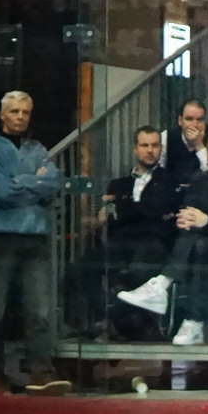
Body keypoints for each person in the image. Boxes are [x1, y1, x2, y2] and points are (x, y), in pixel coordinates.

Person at [118, 130, 208, 345]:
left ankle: (164, 287)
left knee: (197, 243)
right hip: (203, 246)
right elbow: (188, 209)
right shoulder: (199, 180)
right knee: (198, 244)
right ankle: (192, 321)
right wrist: (185, 220)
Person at [0, 90, 67, 394]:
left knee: (39, 309)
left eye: (25, 112)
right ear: (2, 114)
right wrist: (34, 181)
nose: (20, 117)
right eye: (14, 111)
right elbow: (0, 193)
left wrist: (20, 182)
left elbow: (52, 185)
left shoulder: (37, 148)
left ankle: (40, 371)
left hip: (34, 236)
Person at [79, 126, 182, 331]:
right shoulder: (118, 184)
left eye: (155, 145)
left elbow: (153, 209)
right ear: (135, 149)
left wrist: (120, 205)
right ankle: (106, 315)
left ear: (160, 149)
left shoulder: (169, 180)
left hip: (153, 243)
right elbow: (119, 218)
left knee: (136, 269)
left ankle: (123, 322)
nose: (150, 150)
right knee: (80, 268)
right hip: (121, 242)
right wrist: (121, 208)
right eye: (144, 145)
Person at [161, 98, 208, 186]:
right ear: (180, 121)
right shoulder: (166, 137)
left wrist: (199, 145)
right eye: (189, 119)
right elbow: (158, 172)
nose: (195, 125)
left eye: (200, 119)